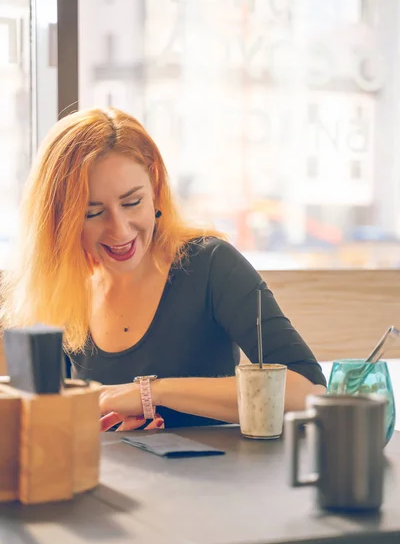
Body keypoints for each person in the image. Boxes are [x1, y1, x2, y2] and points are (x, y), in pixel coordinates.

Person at [0, 107, 326, 434]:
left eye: (132, 203)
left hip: (219, 481)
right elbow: (48, 426)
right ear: (61, 220)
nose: (120, 230)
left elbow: (308, 392)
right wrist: (102, 429)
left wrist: (151, 394)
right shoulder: (63, 289)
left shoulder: (212, 264)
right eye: (93, 213)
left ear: (155, 185)